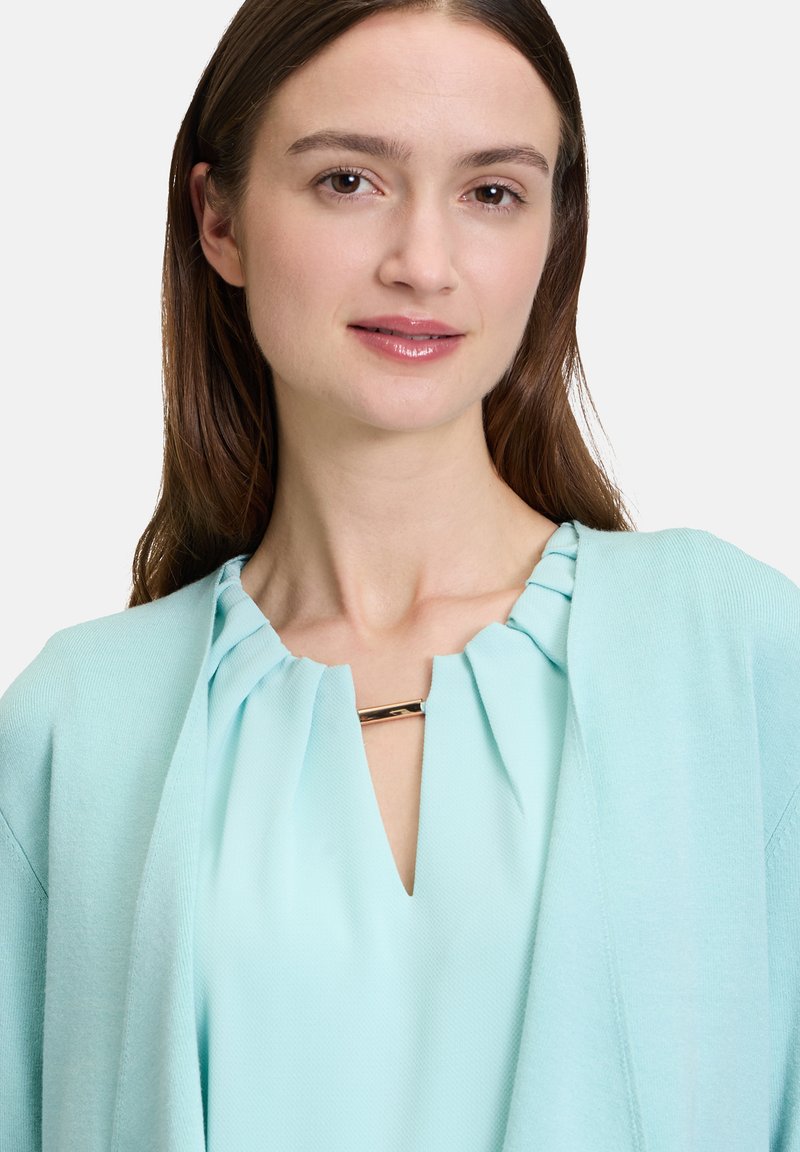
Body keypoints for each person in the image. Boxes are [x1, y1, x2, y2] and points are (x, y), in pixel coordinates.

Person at [1, 1, 798, 1149]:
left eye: (491, 193)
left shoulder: (733, 654)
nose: (422, 263)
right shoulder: (75, 725)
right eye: (348, 181)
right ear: (217, 219)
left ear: (553, 233)